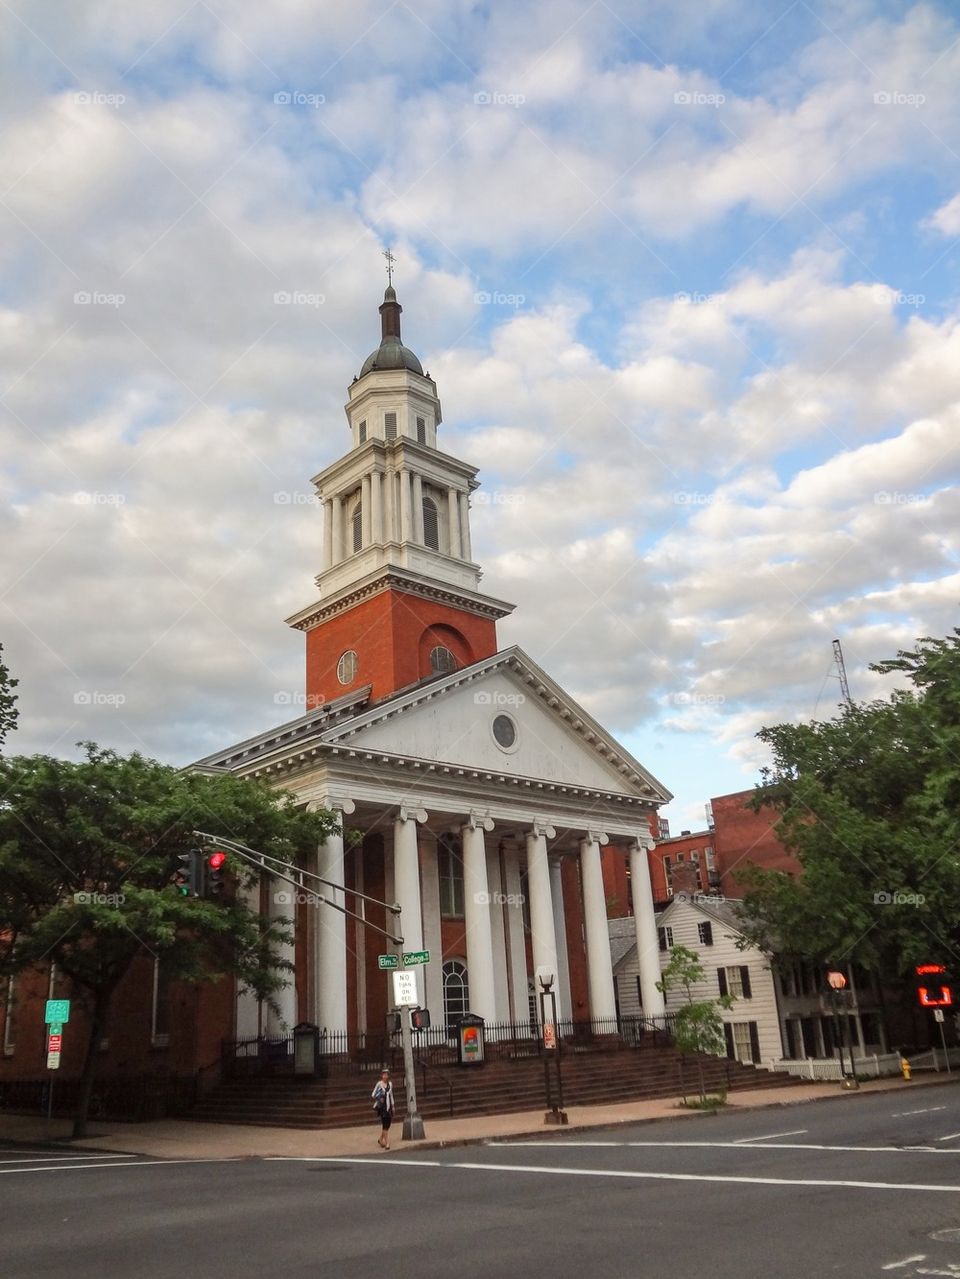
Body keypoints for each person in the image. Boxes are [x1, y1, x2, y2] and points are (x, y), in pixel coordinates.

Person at [371, 1068, 394, 1149]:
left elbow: (391, 1095)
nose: (385, 1076)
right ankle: (387, 1143)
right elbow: (373, 1094)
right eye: (384, 1074)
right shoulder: (379, 1084)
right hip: (382, 1107)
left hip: (388, 1106)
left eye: (386, 1074)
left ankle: (381, 1139)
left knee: (388, 1123)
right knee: (385, 1124)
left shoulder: (390, 1084)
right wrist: (379, 1098)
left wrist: (393, 1105)